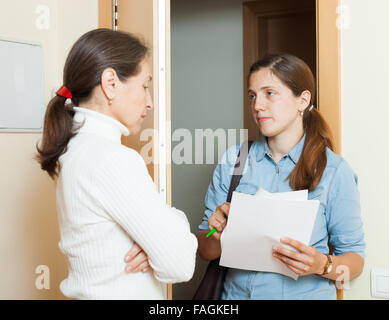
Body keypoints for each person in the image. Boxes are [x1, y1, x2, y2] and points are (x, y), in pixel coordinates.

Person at [36, 28, 197, 300]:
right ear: (110, 83)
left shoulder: (77, 150)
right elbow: (180, 265)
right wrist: (173, 227)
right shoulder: (112, 158)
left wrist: (155, 244)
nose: (150, 103)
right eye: (145, 86)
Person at [197, 53, 365, 300]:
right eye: (252, 95)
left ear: (302, 100)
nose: (257, 105)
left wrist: (322, 265)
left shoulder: (334, 171)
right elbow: (205, 248)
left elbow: (355, 260)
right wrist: (216, 232)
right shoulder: (234, 160)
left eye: (270, 94)